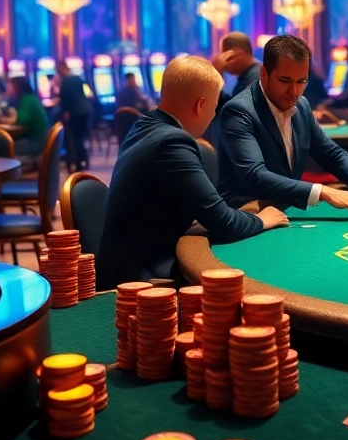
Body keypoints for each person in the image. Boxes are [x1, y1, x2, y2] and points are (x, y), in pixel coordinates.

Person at [97, 56, 288, 288]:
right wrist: (262, 219)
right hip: (136, 280)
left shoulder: (145, 124)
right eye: (214, 106)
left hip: (129, 261)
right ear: (200, 105)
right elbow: (224, 223)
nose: (213, 116)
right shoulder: (172, 143)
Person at [217, 35, 348, 218]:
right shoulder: (238, 111)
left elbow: (331, 154)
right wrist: (324, 192)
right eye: (284, 81)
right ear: (264, 74)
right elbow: (255, 176)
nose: (294, 92)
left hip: (285, 212)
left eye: (301, 81)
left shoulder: (302, 105)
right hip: (245, 217)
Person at [57, 59, 92, 172]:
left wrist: (66, 111)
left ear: (62, 67)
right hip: (85, 110)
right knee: (80, 137)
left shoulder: (66, 80)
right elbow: (86, 94)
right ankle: (84, 159)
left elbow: (64, 99)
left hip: (74, 112)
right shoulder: (77, 78)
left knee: (74, 138)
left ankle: (77, 163)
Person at [7, 75, 51, 157]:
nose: (8, 88)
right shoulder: (31, 98)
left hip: (35, 143)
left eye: (10, 86)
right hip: (40, 140)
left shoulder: (27, 100)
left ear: (17, 87)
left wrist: (13, 115)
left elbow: (22, 121)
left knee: (3, 146)